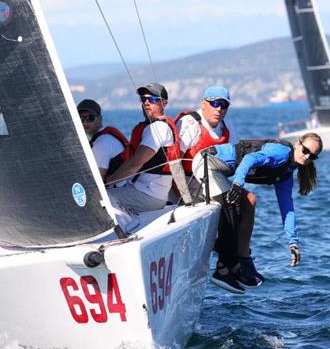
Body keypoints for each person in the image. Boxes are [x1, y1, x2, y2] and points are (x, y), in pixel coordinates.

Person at [202, 133, 323, 294]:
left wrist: (293, 243)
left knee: (250, 201)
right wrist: (238, 184)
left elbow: (287, 208)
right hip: (208, 163)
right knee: (232, 206)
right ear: (298, 144)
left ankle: (242, 260)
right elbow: (249, 159)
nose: (307, 156)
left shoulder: (286, 173)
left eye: (312, 156)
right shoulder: (281, 153)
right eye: (305, 150)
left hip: (220, 172)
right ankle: (222, 270)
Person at [177, 85, 241, 284]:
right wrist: (184, 198)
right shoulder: (189, 123)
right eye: (215, 104)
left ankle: (238, 260)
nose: (219, 109)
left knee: (248, 200)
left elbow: (236, 160)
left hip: (211, 182)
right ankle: (226, 264)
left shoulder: (227, 130)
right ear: (203, 104)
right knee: (227, 204)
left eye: (224, 105)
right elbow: (173, 161)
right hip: (186, 185)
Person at [105, 83, 181, 214]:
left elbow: (135, 165)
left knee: (101, 199)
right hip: (143, 190)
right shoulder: (150, 127)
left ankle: (121, 232)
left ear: (164, 103)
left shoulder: (158, 128)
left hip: (149, 195)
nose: (146, 103)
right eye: (143, 99)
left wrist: (105, 183)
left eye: (152, 99)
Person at [77, 99, 131, 180]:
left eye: (90, 118)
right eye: (81, 118)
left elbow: (96, 181)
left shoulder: (102, 144)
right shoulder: (103, 138)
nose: (85, 122)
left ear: (100, 119)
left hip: (118, 189)